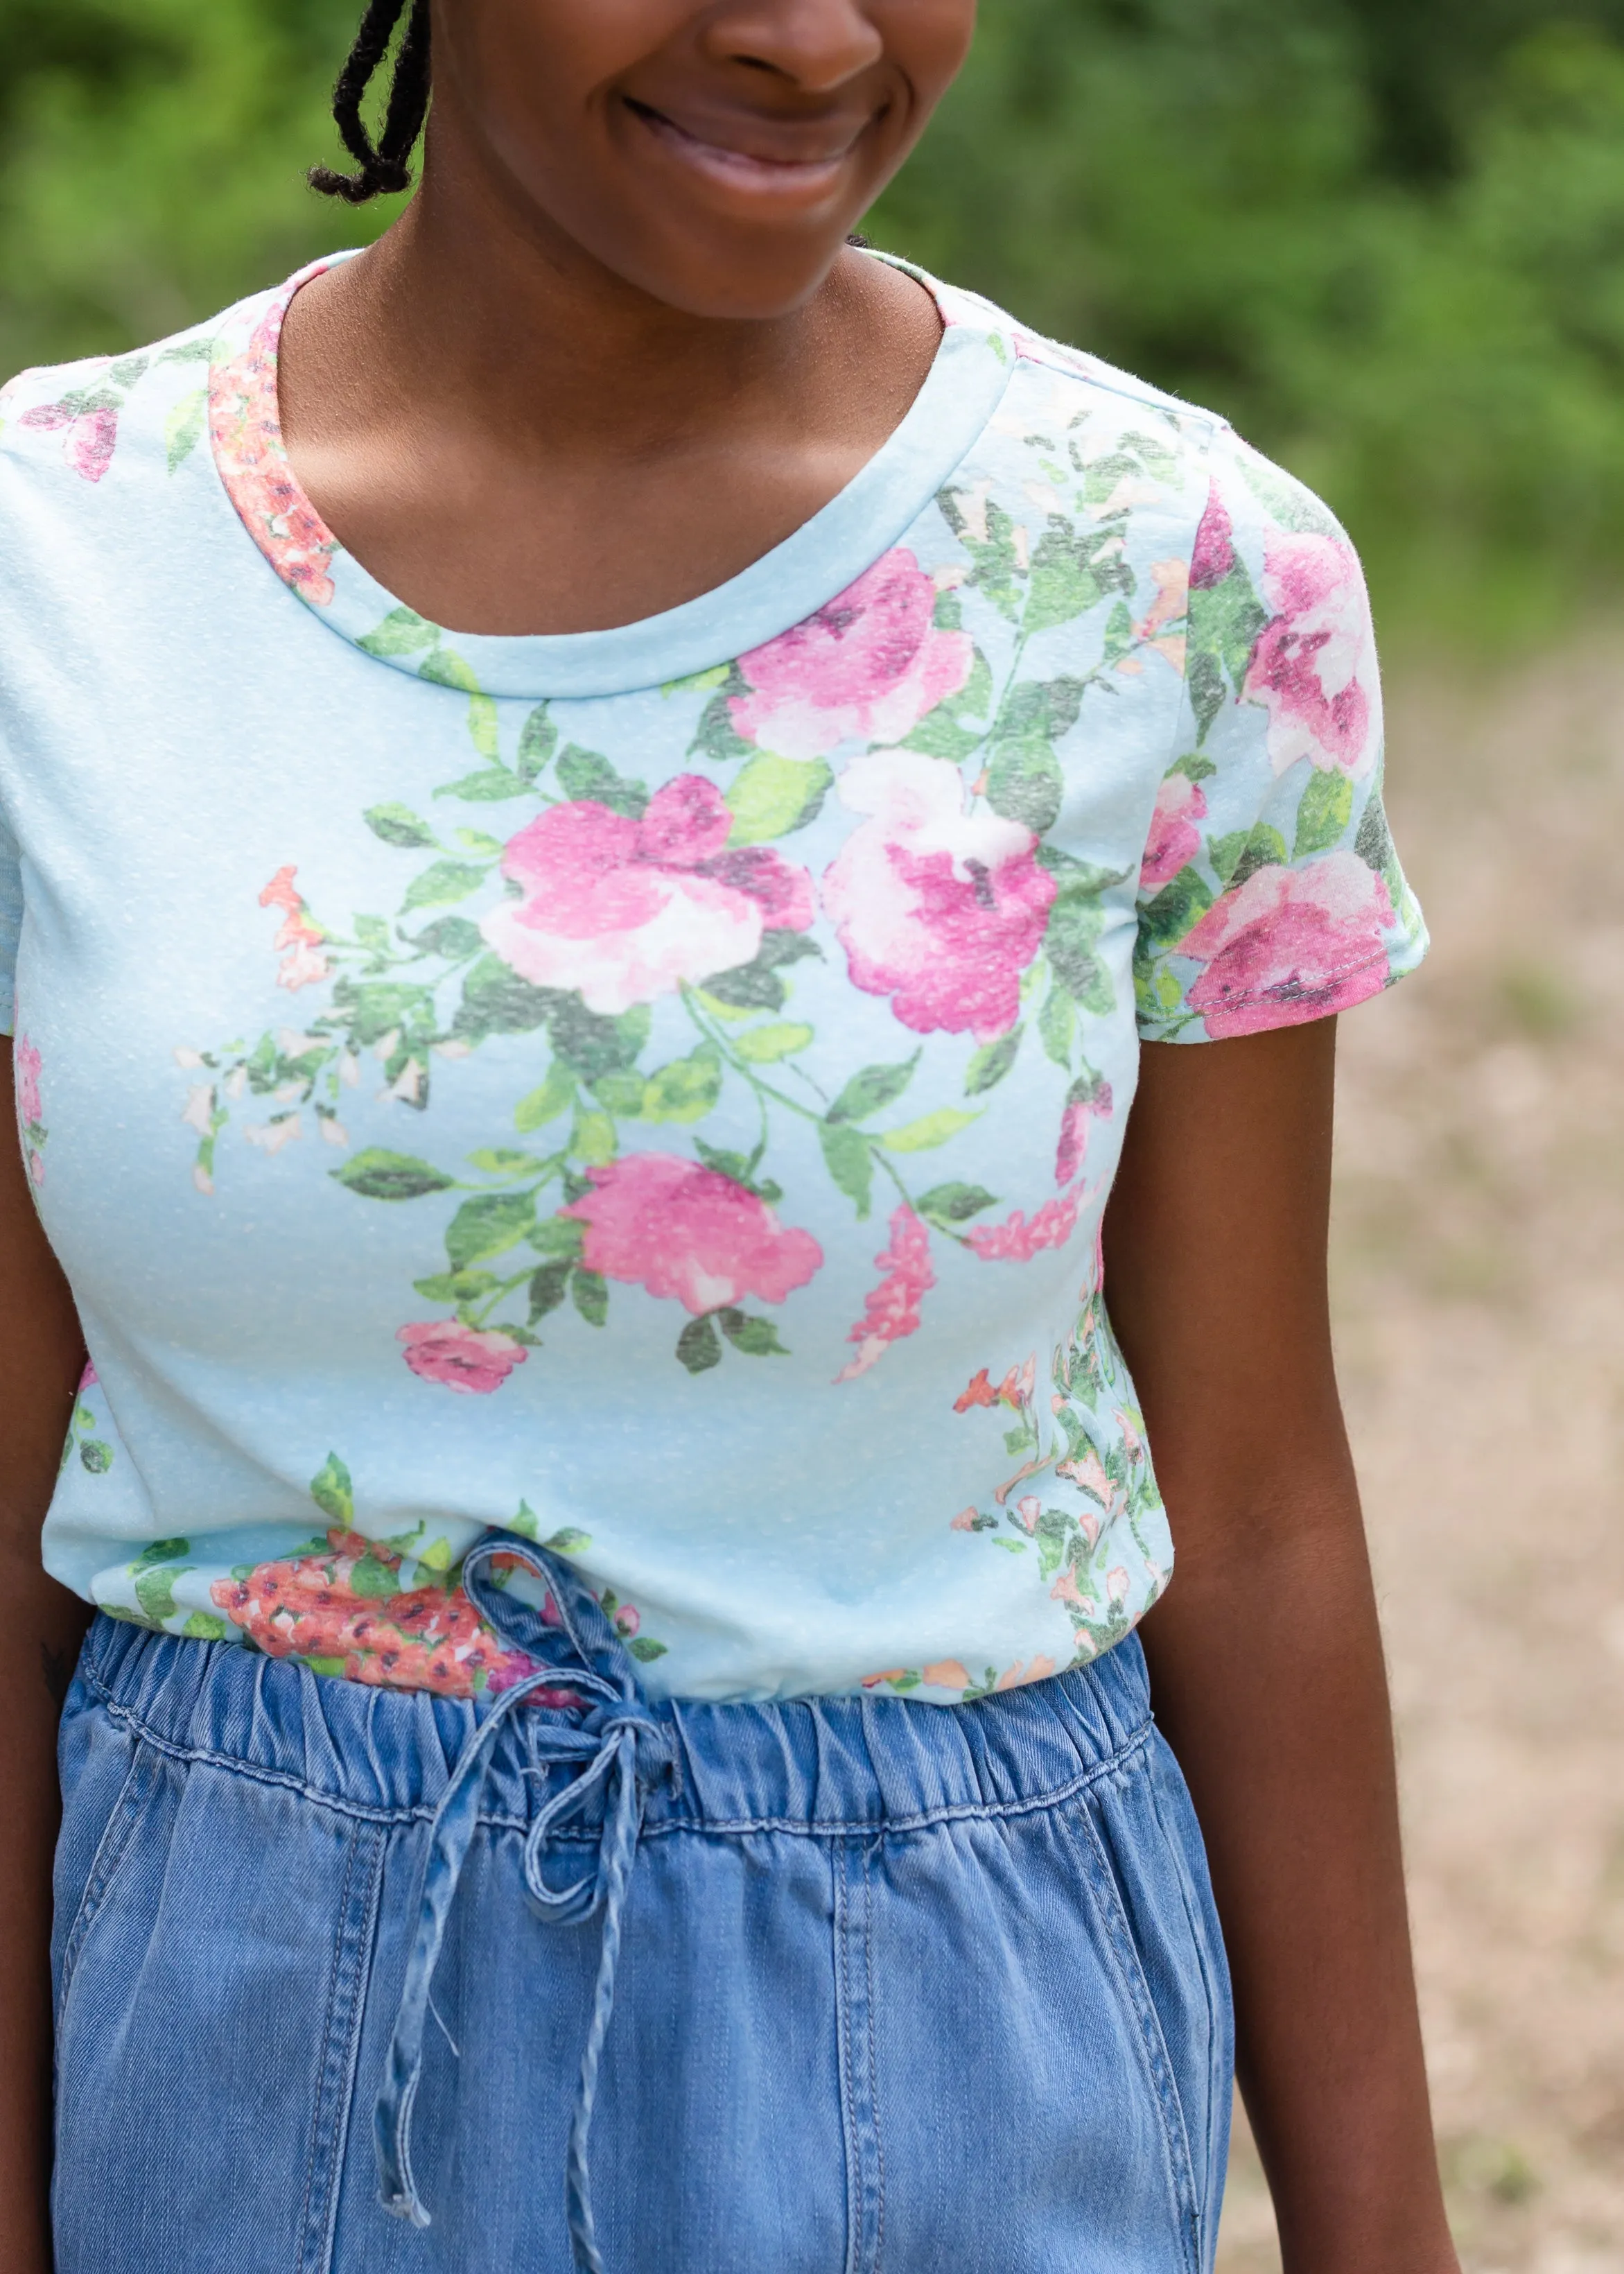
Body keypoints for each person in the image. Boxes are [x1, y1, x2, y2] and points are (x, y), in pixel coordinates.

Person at [0, 3, 1463, 2268]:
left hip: (961, 2056)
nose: (807, 33)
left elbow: (1254, 1500)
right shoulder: (55, 575)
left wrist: (1385, 2246)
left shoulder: (1166, 570)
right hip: (241, 2042)